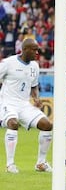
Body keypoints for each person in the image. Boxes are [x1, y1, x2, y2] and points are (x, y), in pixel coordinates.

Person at [0, 38, 53, 173]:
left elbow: (34, 86)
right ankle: (10, 165)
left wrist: (36, 98)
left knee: (46, 125)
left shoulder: (35, 66)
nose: (37, 52)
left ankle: (41, 163)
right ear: (24, 50)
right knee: (13, 123)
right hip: (8, 103)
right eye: (34, 49)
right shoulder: (8, 63)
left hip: (24, 104)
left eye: (37, 50)